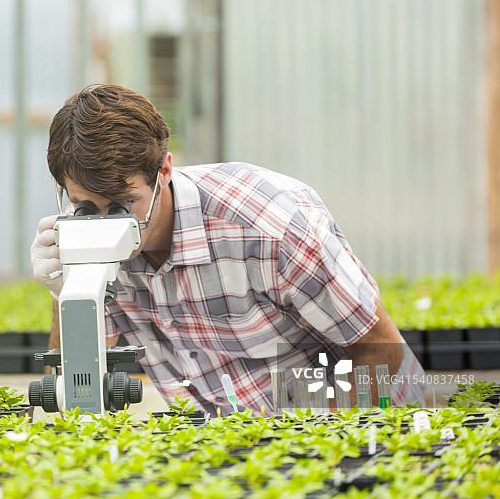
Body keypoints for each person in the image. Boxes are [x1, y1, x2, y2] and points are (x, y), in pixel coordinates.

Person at [30, 84, 425, 415]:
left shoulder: (271, 227)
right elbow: (76, 392)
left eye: (122, 205)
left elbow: (380, 354)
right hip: (228, 446)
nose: (104, 224)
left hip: (361, 426)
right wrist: (67, 295)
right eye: (86, 207)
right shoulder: (83, 233)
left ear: (164, 170)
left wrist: (299, 445)